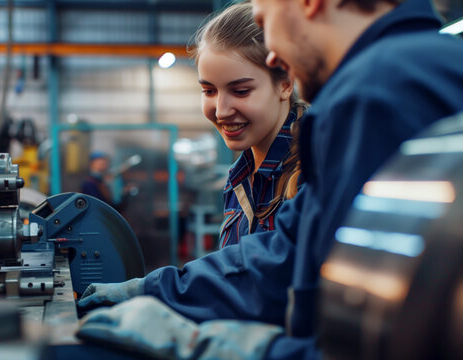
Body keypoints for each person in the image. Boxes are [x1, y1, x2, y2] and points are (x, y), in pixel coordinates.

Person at [75, 0, 463, 358]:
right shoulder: (432, 66)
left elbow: (358, 334)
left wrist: (235, 348)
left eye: (265, 20)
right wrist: (152, 290)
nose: (276, 55)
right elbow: (287, 255)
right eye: (209, 90)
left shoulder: (376, 91)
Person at [191, 3, 305, 249]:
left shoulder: (313, 173)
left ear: (285, 84)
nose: (221, 110)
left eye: (241, 91)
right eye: (208, 90)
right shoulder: (238, 177)